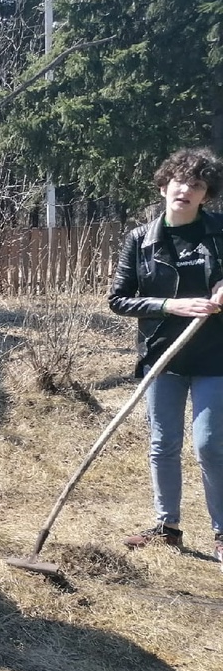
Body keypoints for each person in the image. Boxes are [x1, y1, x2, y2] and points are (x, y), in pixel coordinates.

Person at [108, 146, 223, 564]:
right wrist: (169, 305)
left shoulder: (220, 231)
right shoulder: (140, 240)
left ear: (205, 194)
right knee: (163, 444)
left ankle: (222, 533)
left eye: (196, 185)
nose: (186, 190)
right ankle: (167, 527)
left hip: (215, 357)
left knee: (211, 445)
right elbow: (118, 300)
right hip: (162, 356)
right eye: (179, 182)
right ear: (164, 186)